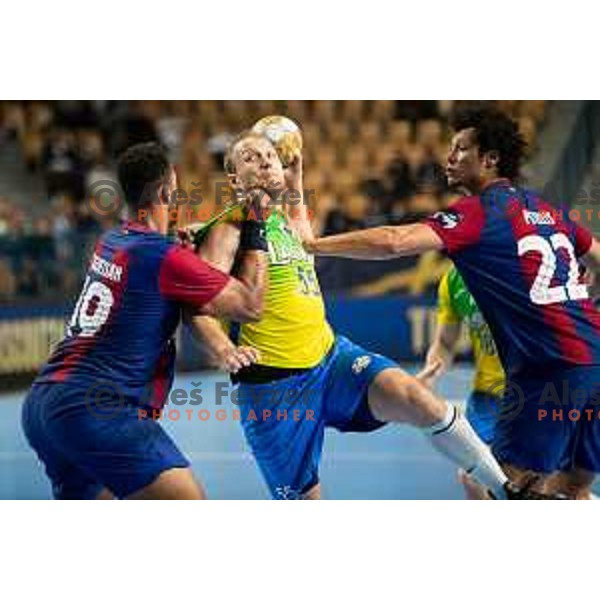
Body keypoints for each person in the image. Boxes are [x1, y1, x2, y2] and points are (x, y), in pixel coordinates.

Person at [186, 129, 526, 500]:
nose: (265, 159)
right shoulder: (228, 229)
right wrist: (223, 349)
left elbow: (304, 234)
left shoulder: (282, 220)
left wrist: (295, 178)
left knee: (418, 398)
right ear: (234, 177)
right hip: (275, 388)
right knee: (304, 499)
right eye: (250, 157)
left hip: (331, 361)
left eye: (269, 154)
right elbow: (200, 304)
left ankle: (508, 493)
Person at [303, 106, 600, 499]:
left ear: (490, 159)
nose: (449, 157)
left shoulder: (478, 213)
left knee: (501, 486)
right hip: (595, 356)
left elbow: (395, 241)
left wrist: (313, 245)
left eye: (461, 148)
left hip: (551, 369)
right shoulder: (547, 209)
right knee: (574, 486)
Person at [22, 142, 268, 500]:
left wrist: (179, 252)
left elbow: (150, 278)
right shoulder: (162, 256)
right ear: (167, 191)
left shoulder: (112, 239)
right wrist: (257, 226)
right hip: (95, 408)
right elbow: (250, 304)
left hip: (43, 405)